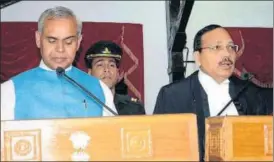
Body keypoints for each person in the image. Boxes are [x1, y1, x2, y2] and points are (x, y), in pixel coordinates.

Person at [153, 24, 268, 161]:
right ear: (198, 57)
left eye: (231, 47)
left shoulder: (250, 92)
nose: (227, 54)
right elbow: (161, 150)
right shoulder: (173, 95)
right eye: (217, 47)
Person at [1, 6, 117, 120]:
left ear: (78, 42)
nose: (60, 49)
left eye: (68, 42)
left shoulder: (100, 89)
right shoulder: (10, 91)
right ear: (38, 39)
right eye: (52, 41)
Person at [84, 40, 146, 115]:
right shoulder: (81, 106)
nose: (107, 69)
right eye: (100, 65)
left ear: (118, 73)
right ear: (89, 73)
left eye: (111, 65)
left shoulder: (133, 108)